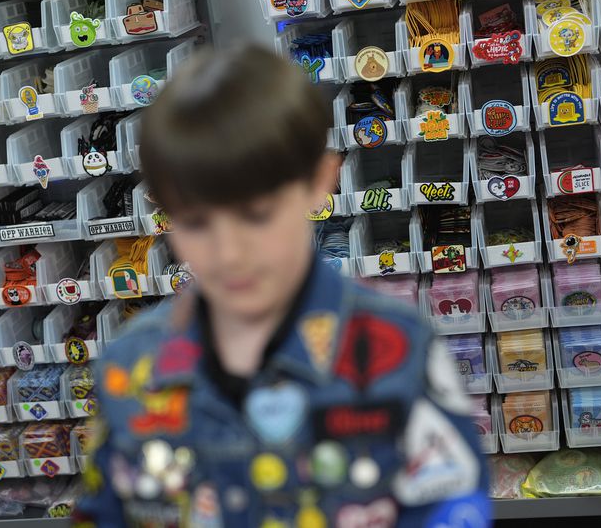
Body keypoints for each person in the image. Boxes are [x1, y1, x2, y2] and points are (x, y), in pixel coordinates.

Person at [72, 44, 489, 528]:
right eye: (196, 221)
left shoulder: (397, 347)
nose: (229, 254)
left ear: (320, 182)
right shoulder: (130, 366)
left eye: (257, 216)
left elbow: (452, 507)